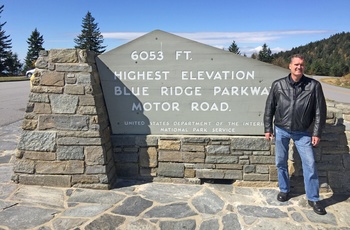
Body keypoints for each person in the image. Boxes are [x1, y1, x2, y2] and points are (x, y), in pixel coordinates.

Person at [264, 54, 327, 215]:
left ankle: (313, 198)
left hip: (303, 132)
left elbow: (320, 111)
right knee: (280, 162)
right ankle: (284, 190)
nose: (299, 67)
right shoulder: (278, 85)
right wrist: (267, 128)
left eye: (302, 65)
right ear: (290, 66)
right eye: (296, 64)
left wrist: (316, 132)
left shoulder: (313, 86)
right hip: (281, 129)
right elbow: (269, 107)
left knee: (310, 164)